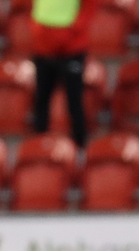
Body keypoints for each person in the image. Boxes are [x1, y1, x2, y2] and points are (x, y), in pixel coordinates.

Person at [30, 0, 97, 148]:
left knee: (74, 100)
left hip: (72, 48)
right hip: (43, 47)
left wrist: (71, 32)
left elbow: (89, 7)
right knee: (41, 99)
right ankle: (39, 147)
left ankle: (80, 147)